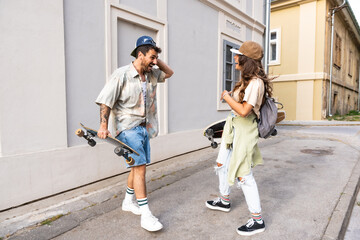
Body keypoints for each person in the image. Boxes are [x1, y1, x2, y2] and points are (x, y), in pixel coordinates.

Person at [95, 36, 174, 232]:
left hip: (144, 127)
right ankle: (146, 215)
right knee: (140, 169)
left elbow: (170, 73)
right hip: (126, 128)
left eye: (156, 58)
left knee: (137, 167)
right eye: (151, 57)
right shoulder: (121, 74)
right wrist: (103, 126)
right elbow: (106, 101)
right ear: (140, 55)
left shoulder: (151, 74)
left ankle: (128, 201)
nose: (155, 62)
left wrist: (156, 58)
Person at [205, 41, 273, 236]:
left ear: (246, 60)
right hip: (233, 128)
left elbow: (244, 111)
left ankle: (257, 220)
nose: (234, 58)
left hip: (245, 131)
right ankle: (224, 200)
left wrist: (227, 98)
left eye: (238, 55)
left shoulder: (256, 83)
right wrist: (230, 97)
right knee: (221, 164)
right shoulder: (246, 80)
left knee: (244, 174)